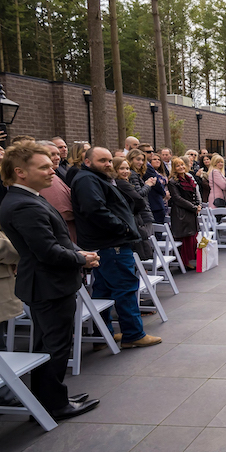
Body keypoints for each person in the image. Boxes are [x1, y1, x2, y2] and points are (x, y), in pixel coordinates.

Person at [0, 141, 101, 419]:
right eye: (43, 167)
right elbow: (47, 252)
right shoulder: (23, 205)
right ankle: (54, 405)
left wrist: (78, 252)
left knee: (49, 345)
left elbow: (55, 240)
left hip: (48, 283)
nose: (52, 171)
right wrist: (82, 259)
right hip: (48, 285)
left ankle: (49, 398)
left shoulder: (30, 197)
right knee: (55, 346)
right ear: (20, 171)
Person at [70, 147, 161, 348]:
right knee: (125, 288)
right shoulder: (87, 180)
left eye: (110, 160)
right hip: (111, 244)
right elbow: (95, 210)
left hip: (106, 244)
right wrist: (124, 229)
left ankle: (104, 335)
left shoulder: (95, 178)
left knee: (103, 291)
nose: (108, 164)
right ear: (87, 161)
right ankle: (133, 334)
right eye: (102, 160)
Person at [112, 157, 155, 262]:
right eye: (121, 168)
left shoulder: (120, 182)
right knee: (139, 254)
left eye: (127, 168)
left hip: (134, 218)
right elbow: (139, 200)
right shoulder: (121, 183)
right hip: (132, 219)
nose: (126, 171)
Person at [36, 140, 77, 243]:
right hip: (63, 235)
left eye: (58, 154)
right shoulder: (49, 179)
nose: (57, 157)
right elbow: (63, 212)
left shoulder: (54, 175)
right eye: (52, 154)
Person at [167, 157, 201, 269]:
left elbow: (194, 193)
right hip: (181, 213)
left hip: (191, 211)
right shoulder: (173, 182)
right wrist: (193, 207)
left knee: (192, 236)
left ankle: (193, 258)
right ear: (174, 168)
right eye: (178, 165)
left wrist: (197, 205)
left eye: (182, 165)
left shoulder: (188, 178)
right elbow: (177, 198)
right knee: (185, 237)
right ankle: (184, 261)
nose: (181, 167)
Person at [145, 154, 168, 224]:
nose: (157, 161)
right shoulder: (149, 172)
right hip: (155, 201)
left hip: (164, 202)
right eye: (154, 159)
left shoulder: (163, 173)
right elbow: (157, 185)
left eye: (159, 159)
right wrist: (164, 193)